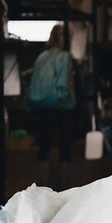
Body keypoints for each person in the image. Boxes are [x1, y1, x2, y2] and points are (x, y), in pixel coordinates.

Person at [27, 24, 75, 190]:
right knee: (65, 145)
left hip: (42, 104)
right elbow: (62, 84)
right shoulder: (65, 56)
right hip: (60, 105)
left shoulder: (41, 56)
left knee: (45, 144)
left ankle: (42, 187)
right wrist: (70, 100)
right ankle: (62, 188)